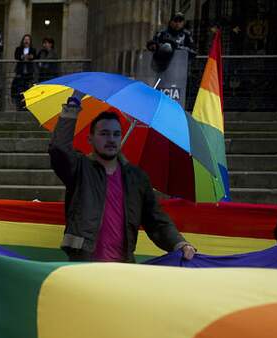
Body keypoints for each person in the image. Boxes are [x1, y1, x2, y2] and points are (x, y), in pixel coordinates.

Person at [48, 95, 196, 262]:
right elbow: (59, 148)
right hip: (84, 266)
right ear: (90, 139)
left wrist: (180, 244)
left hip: (123, 268)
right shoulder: (80, 169)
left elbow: (157, 221)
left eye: (116, 134)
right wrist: (73, 104)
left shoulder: (137, 178)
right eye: (104, 134)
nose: (111, 139)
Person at [11, 34, 36, 110]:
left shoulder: (32, 49)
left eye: (28, 39)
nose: (26, 41)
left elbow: (34, 56)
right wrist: (23, 57)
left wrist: (29, 57)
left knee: (28, 90)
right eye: (25, 39)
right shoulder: (19, 49)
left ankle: (27, 107)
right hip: (20, 72)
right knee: (19, 90)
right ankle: (19, 107)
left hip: (29, 72)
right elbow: (17, 56)